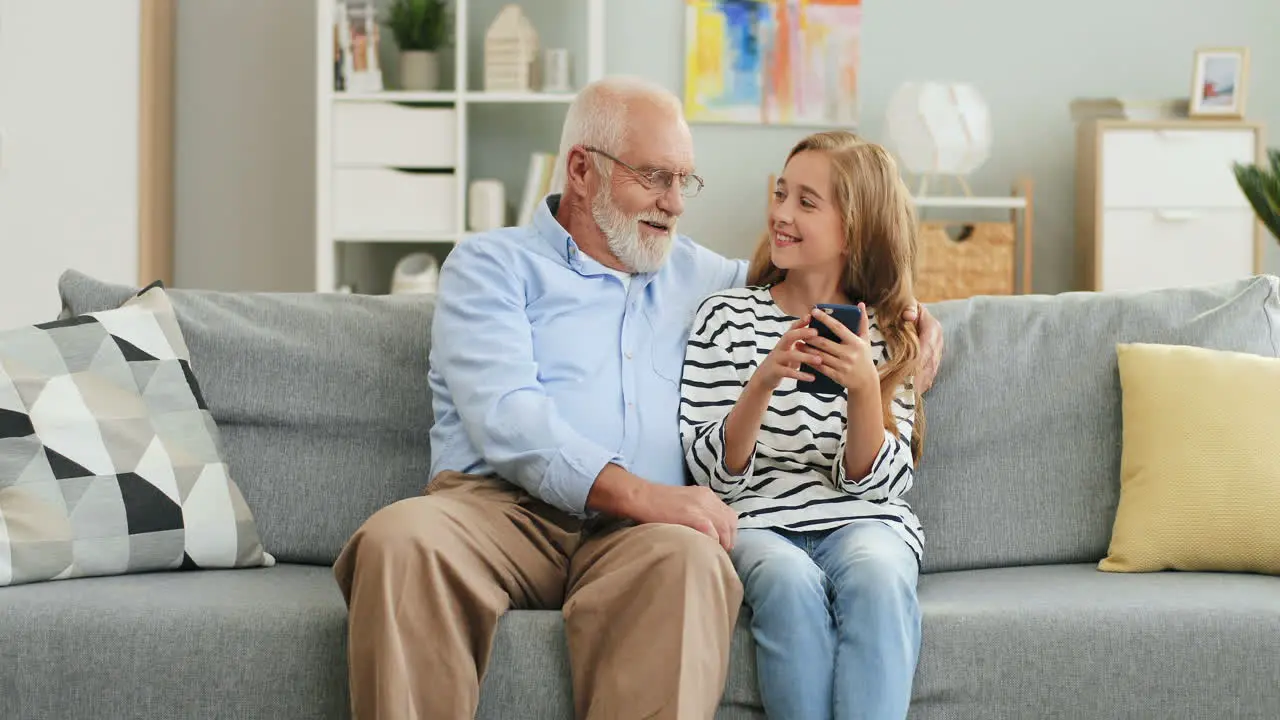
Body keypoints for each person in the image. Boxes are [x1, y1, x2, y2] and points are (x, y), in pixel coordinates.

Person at [332, 76, 944, 720]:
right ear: (581, 170)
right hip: (498, 514)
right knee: (399, 539)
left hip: (642, 535)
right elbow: (507, 418)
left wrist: (912, 315)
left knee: (692, 563)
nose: (675, 203)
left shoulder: (699, 274)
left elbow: (812, 285)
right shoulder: (491, 265)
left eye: (685, 181)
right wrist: (644, 492)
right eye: (655, 177)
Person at [679, 131, 928, 720]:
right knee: (787, 583)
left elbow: (881, 484)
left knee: (878, 576)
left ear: (855, 229)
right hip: (760, 522)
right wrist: (761, 383)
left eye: (806, 203)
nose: (781, 214)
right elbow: (712, 475)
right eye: (782, 193)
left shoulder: (892, 334)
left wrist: (866, 387)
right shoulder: (726, 317)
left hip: (865, 522)